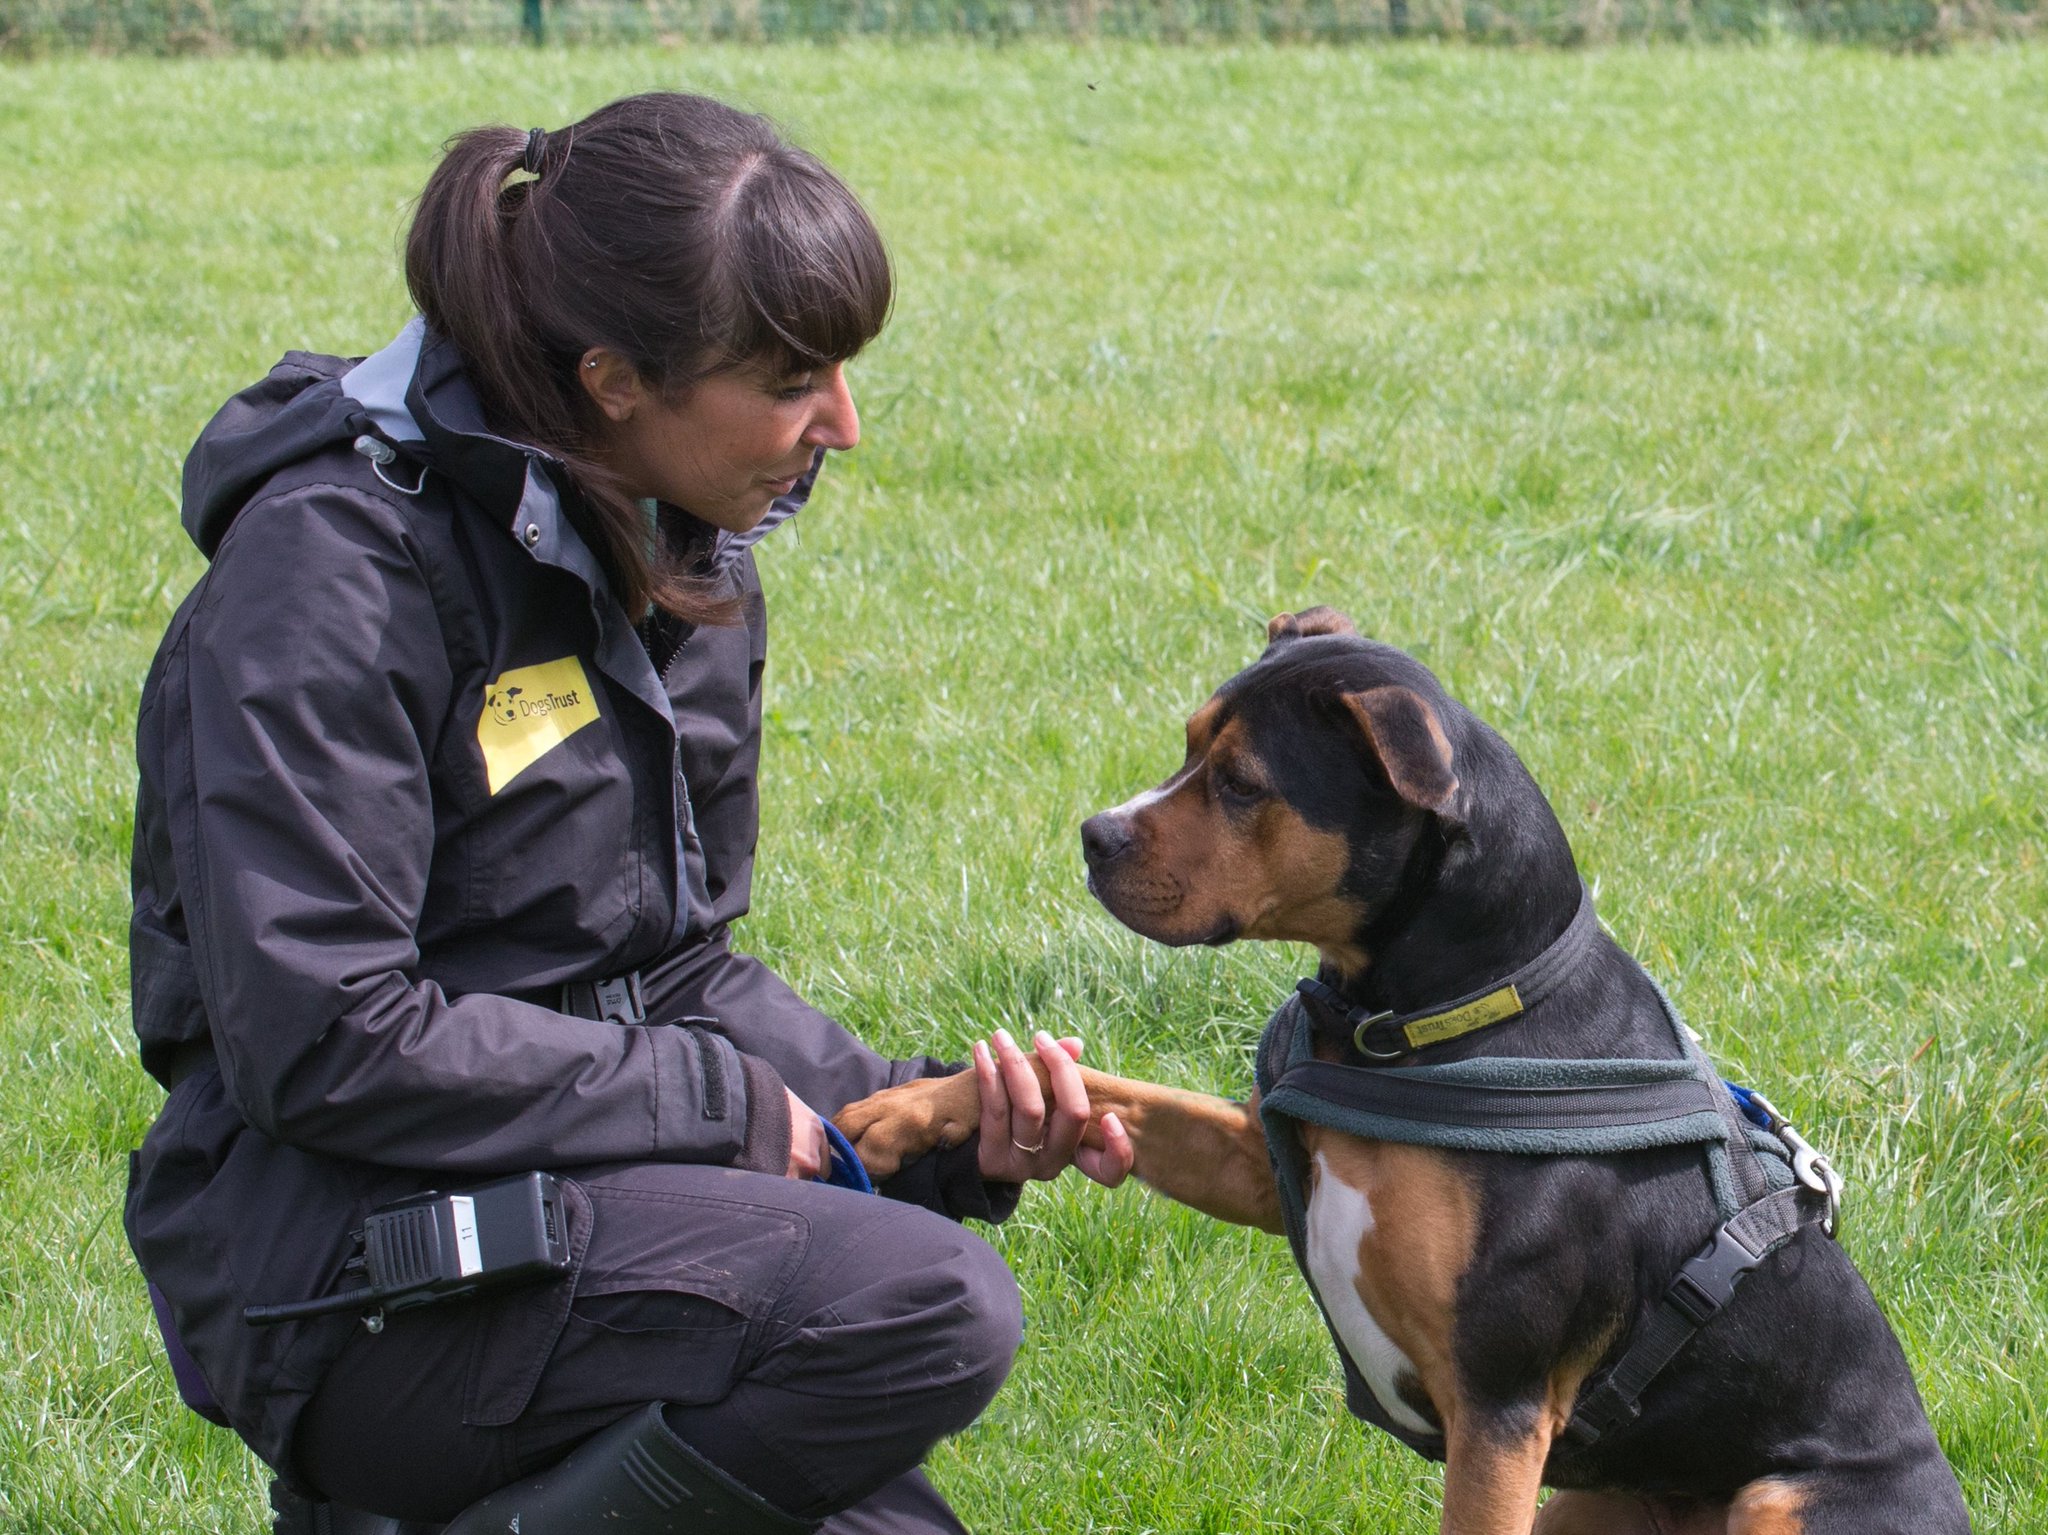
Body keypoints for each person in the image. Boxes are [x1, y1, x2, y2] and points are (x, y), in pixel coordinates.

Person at [124, 91, 1134, 1534]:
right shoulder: (327, 579)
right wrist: (714, 1106)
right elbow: (325, 1038)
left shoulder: (685, 557)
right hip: (342, 1271)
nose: (843, 426)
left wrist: (922, 1123)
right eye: (791, 379)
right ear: (610, 379)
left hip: (588, 1202)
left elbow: (670, 965)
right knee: (923, 1307)